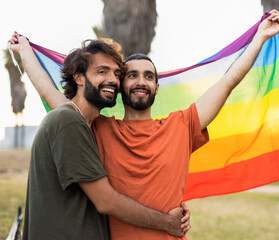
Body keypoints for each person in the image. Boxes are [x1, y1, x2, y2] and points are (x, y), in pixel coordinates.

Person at [11, 9, 279, 240]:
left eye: (148, 76)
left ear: (156, 86)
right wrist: (24, 50)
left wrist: (260, 38)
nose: (140, 81)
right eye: (130, 75)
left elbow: (227, 83)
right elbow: (51, 93)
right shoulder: (96, 128)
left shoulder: (181, 125)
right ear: (121, 86)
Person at [9, 36, 190, 240]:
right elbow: (107, 202)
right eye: (102, 71)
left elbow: (48, 91)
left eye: (116, 74)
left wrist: (25, 52)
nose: (112, 80)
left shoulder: (78, 121)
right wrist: (167, 222)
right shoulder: (69, 122)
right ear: (78, 77)